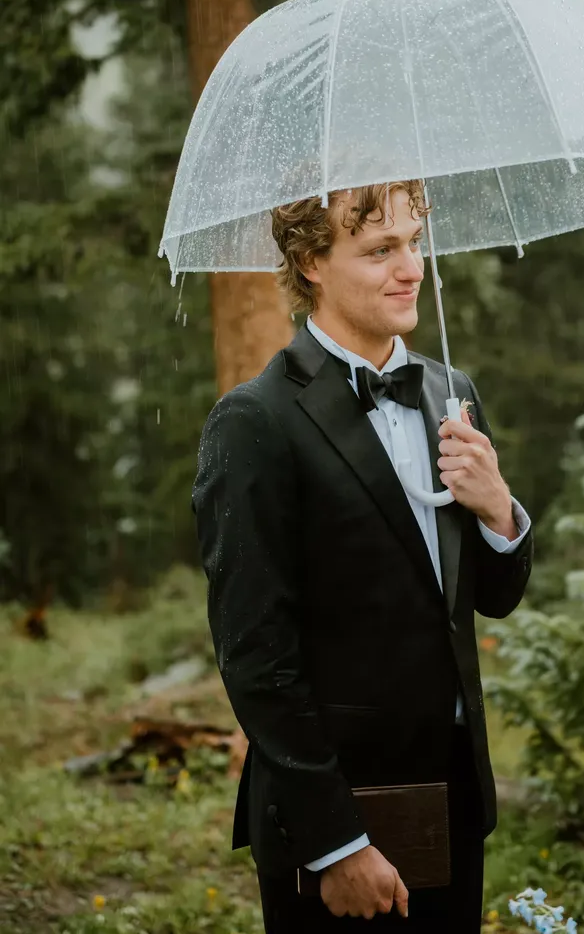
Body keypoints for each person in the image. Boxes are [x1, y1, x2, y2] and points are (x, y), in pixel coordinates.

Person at [192, 180, 533, 932]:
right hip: (337, 811)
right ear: (312, 260)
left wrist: (499, 509)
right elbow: (255, 658)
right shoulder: (255, 422)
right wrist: (336, 842)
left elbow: (492, 596)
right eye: (380, 249)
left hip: (451, 793)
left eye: (414, 242)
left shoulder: (453, 392)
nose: (410, 267)